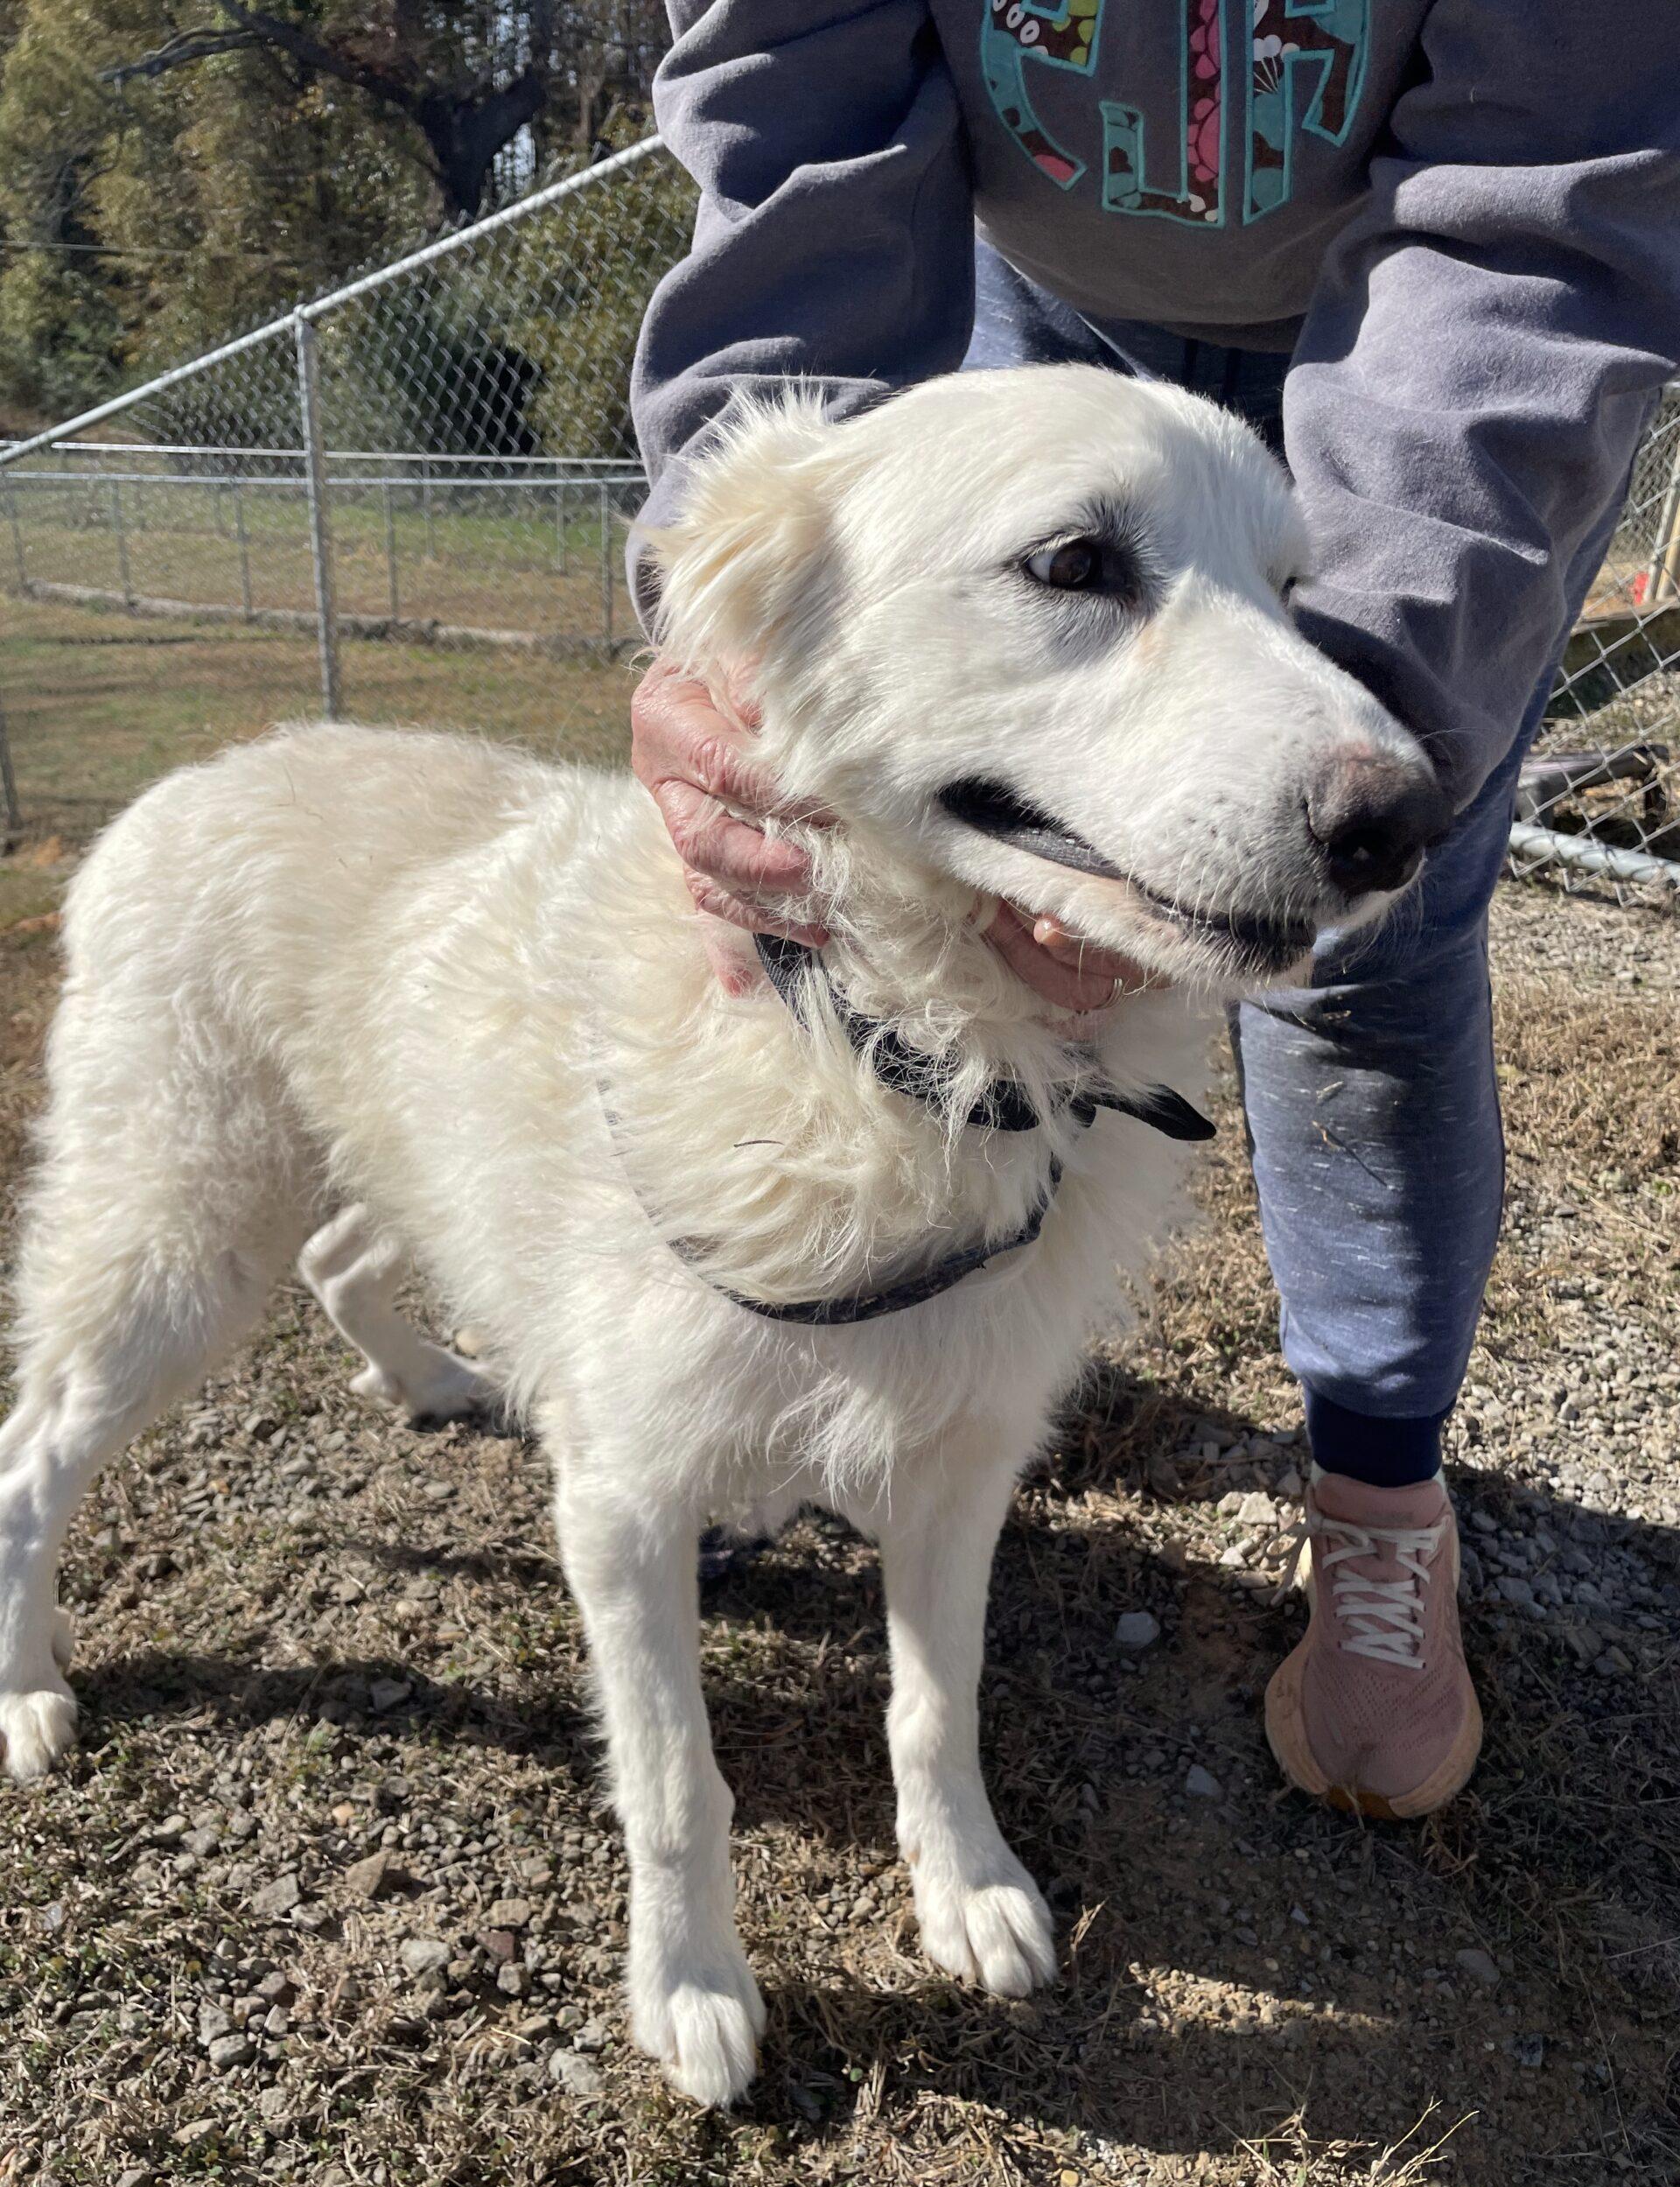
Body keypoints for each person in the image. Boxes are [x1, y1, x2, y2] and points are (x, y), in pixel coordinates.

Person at [624, 3, 1680, 1818]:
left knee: (1369, 950)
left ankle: (1378, 1490)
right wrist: (726, 589)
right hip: (1024, 274)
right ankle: (818, 1380)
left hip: (1439, 308)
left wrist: (1365, 713)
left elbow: (1544, 206)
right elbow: (796, 117)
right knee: (866, 856)